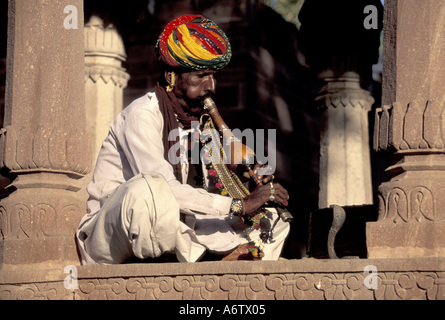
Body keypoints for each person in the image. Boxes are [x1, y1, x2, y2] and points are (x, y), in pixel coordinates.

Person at [76, 14, 291, 265]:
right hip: (118, 232)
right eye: (201, 76)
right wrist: (239, 205)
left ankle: (213, 261)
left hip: (178, 227)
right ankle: (209, 259)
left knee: (272, 220)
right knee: (149, 191)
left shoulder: (199, 121)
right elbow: (167, 191)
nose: (211, 85)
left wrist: (246, 183)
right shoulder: (142, 116)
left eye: (214, 76)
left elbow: (207, 194)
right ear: (172, 76)